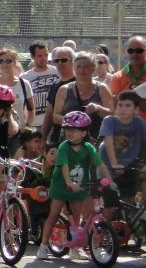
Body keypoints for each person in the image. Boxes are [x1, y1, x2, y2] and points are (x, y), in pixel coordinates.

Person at [36, 111, 116, 260]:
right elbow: (64, 166)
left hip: (80, 186)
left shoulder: (88, 148)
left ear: (84, 132)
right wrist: (68, 182)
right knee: (54, 214)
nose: (69, 133)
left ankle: (75, 248)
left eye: (74, 130)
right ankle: (44, 245)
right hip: (61, 186)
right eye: (67, 129)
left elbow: (100, 164)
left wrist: (110, 180)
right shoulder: (64, 147)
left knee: (77, 216)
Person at [98, 90, 146, 209]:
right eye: (120, 105)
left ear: (136, 110)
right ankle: (103, 225)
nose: (123, 109)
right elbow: (108, 140)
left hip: (128, 166)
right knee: (110, 206)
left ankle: (126, 225)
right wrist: (114, 164)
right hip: (107, 166)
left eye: (128, 105)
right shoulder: (109, 121)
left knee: (128, 204)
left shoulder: (138, 122)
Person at [50, 51, 112, 147]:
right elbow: (55, 117)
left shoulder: (102, 89)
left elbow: (112, 114)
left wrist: (98, 108)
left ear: (93, 68)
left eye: (86, 67)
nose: (82, 70)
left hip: (95, 142)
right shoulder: (64, 90)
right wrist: (73, 121)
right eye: (78, 67)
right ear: (74, 68)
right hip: (69, 144)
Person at [0, 48, 35, 143]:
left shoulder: (24, 84)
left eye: (8, 61)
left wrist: (27, 126)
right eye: (1, 61)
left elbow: (31, 108)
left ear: (15, 62)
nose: (4, 63)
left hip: (19, 134)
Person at [107, 36, 146, 127]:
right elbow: (114, 105)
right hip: (126, 132)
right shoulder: (118, 77)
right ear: (126, 52)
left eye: (139, 51)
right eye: (131, 51)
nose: (134, 54)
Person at [41, 46, 76, 148]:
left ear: (72, 61)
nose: (60, 63)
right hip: (58, 137)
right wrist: (43, 138)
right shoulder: (55, 85)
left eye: (64, 60)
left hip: (77, 136)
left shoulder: (80, 83)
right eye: (57, 60)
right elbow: (49, 114)